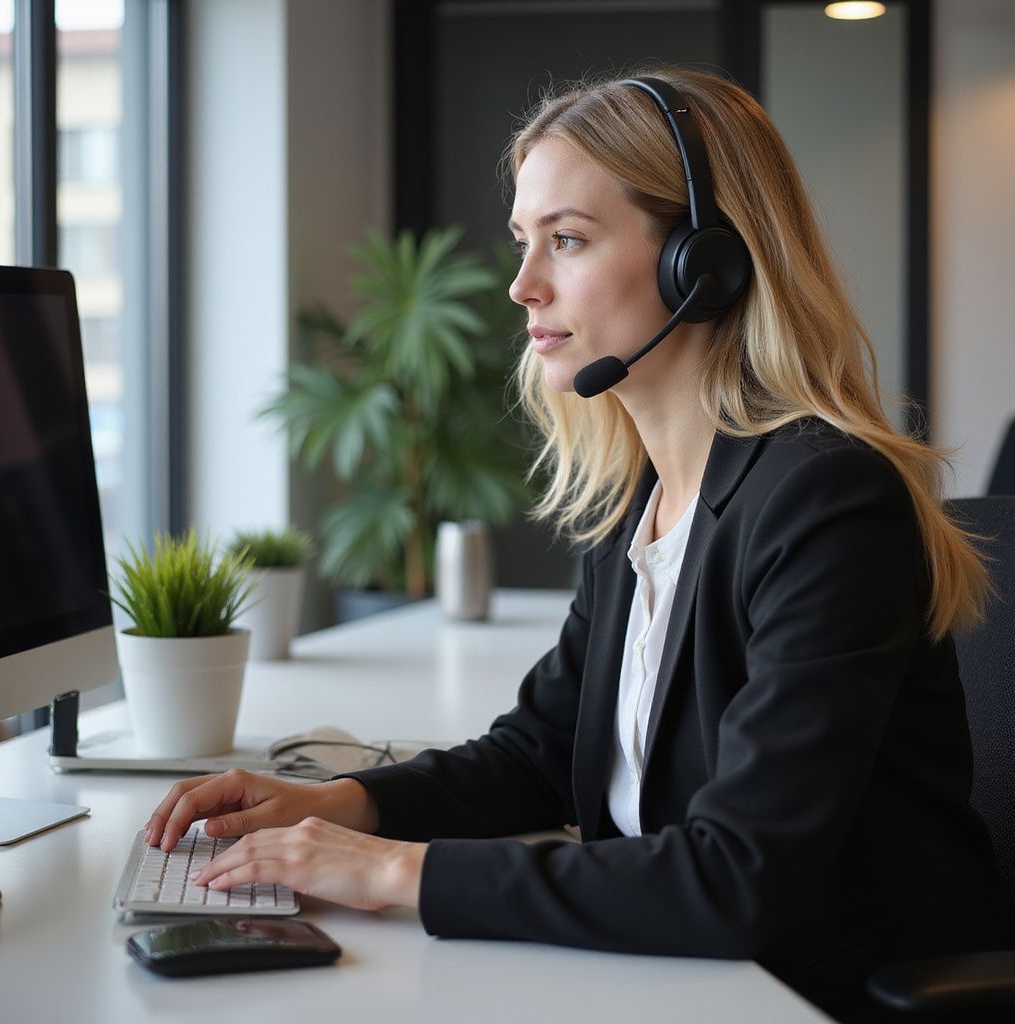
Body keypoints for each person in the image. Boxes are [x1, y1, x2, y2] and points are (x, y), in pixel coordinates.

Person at [145, 66, 1008, 1021]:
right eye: (525, 242)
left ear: (703, 265)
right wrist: (340, 806)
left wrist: (390, 872)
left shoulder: (826, 502)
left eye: (567, 240)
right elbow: (545, 751)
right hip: (675, 979)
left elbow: (737, 878)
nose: (523, 286)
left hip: (812, 993)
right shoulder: (644, 494)